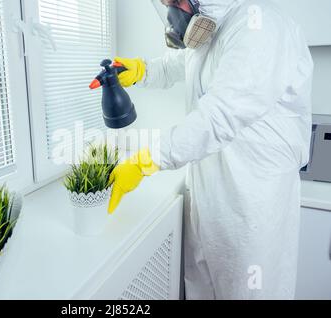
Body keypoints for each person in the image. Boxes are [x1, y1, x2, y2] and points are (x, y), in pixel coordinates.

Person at [107, 0, 313, 299]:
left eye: (176, 1)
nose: (172, 12)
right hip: (210, 191)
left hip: (253, 199)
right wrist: (142, 70)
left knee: (250, 292)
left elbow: (220, 116)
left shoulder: (260, 26)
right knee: (203, 286)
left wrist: (146, 160)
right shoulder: (212, 32)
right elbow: (180, 63)